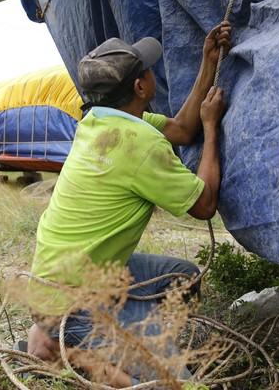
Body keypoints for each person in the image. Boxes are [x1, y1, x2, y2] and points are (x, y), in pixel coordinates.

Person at [26, 21, 232, 386]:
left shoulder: (96, 122)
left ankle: (88, 336)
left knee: (182, 275)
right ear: (141, 87)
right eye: (148, 71)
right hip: (78, 299)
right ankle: (80, 349)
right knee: (176, 387)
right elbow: (204, 205)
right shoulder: (140, 143)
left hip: (55, 277)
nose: (153, 74)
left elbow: (183, 131)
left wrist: (208, 63)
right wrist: (212, 127)